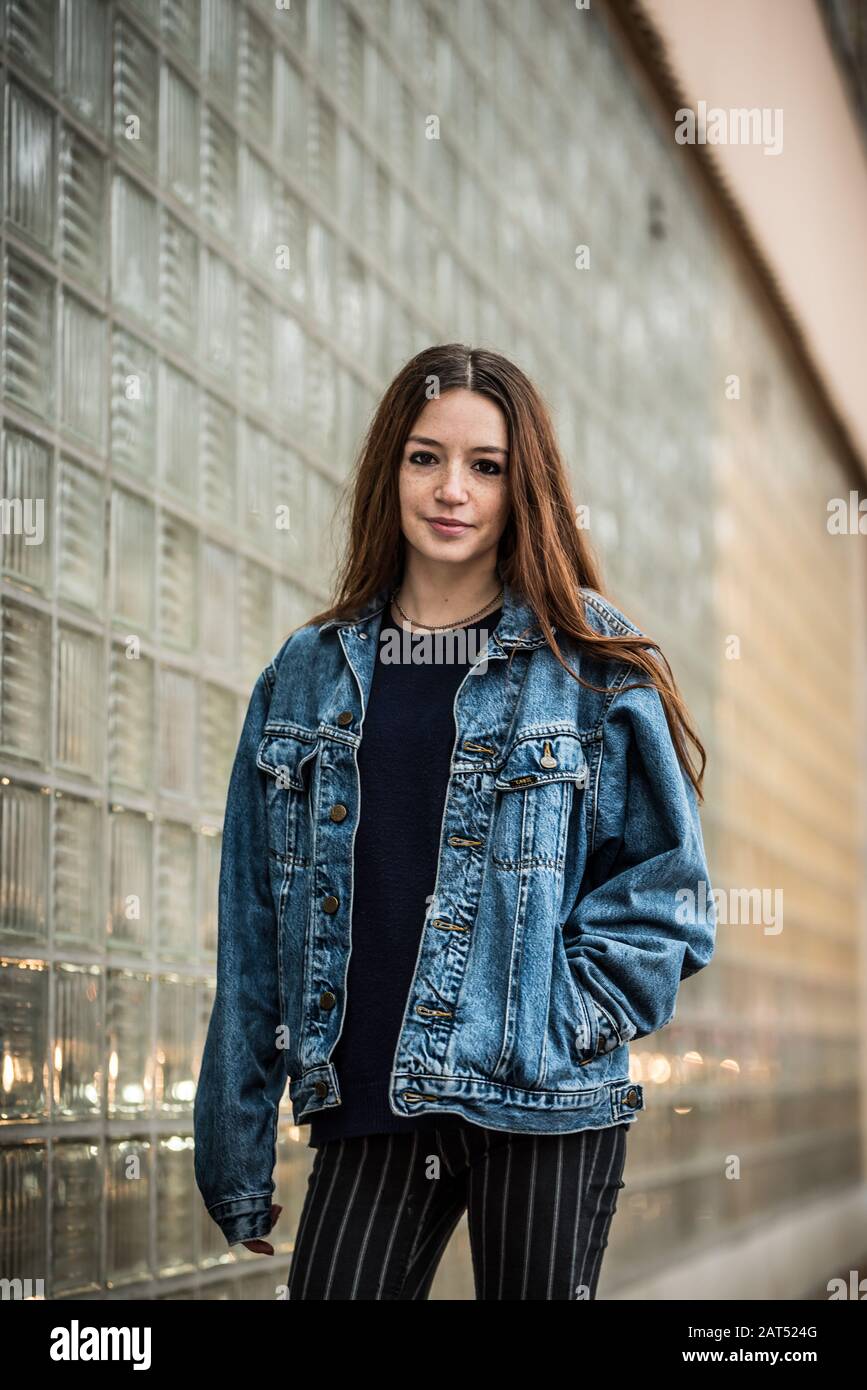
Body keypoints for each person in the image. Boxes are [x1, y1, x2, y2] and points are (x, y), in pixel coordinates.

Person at [193, 343, 716, 1300]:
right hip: (369, 1102)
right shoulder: (306, 673)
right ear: (388, 467)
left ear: (524, 490)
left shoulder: (590, 666)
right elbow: (255, 923)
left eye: (486, 467)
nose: (452, 490)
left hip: (545, 1101)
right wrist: (235, 1147)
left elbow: (667, 896)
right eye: (425, 457)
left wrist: (562, 1018)